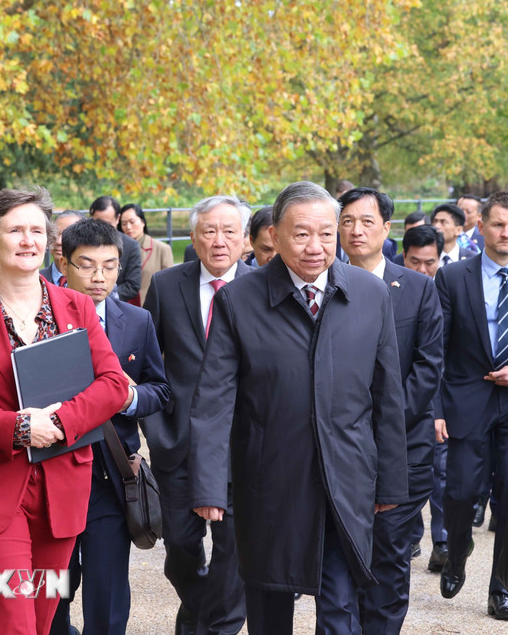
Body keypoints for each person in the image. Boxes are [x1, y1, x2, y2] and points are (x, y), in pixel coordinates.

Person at [190, 181, 409, 634]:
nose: (315, 247)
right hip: (270, 481)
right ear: (275, 233)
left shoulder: (371, 295)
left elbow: (387, 397)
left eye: (326, 234)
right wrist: (210, 487)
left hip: (346, 480)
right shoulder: (239, 300)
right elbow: (214, 399)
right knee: (269, 603)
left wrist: (390, 482)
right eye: (301, 234)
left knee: (340, 607)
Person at [0, 188, 128, 635]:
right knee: (14, 622)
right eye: (15, 230)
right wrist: (21, 426)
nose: (28, 240)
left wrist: (59, 423)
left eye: (37, 230)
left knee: (40, 624)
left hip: (62, 485)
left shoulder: (76, 305)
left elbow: (114, 384)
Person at [48, 218, 170, 635]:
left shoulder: (137, 322)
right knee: (53, 588)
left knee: (108, 590)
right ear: (64, 264)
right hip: (52, 469)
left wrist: (128, 397)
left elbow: (160, 389)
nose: (99, 277)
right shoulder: (38, 318)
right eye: (87, 265)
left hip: (112, 473)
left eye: (110, 265)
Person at [434, 192, 508, 620]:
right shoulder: (453, 278)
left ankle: (500, 587)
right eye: (496, 224)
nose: (505, 233)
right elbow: (438, 347)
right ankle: (458, 549)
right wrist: (437, 409)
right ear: (479, 226)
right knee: (461, 492)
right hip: (467, 399)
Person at [142, 196, 251, 635]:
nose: (219, 240)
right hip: (179, 440)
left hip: (242, 443)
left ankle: (218, 625)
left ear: (245, 239)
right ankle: (199, 607)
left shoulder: (264, 287)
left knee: (234, 551)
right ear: (193, 237)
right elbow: (148, 361)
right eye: (209, 230)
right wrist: (154, 423)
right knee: (183, 546)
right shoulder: (168, 286)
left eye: (229, 231)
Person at [338, 187, 443, 634]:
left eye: (366, 221)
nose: (355, 230)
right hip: (339, 445)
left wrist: (384, 423)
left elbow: (428, 364)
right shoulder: (324, 285)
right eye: (346, 221)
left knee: (389, 556)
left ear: (387, 228)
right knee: (339, 562)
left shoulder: (417, 288)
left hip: (403, 448)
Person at [399, 224, 450, 572]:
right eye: (414, 261)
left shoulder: (447, 287)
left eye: (429, 263)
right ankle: (411, 535)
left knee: (441, 474)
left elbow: (447, 357)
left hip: (441, 400)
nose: (421, 270)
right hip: (406, 402)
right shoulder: (393, 289)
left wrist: (440, 410)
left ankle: (443, 541)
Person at [118, 203, 174, 306]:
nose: (128, 227)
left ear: (143, 222)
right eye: (124, 223)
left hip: (150, 306)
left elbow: (169, 285)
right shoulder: (117, 250)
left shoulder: (162, 249)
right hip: (123, 306)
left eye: (132, 222)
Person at [88, 196, 142, 303]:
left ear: (118, 219)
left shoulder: (131, 246)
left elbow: (132, 285)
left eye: (107, 224)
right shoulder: (82, 243)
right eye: (97, 223)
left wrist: (105, 297)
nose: (101, 228)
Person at [40, 211, 85, 286]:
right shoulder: (37, 279)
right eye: (55, 234)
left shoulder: (96, 282)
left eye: (67, 235)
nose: (59, 241)